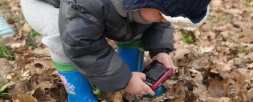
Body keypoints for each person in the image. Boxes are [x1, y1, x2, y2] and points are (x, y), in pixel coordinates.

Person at [21, 0, 210, 101]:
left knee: (142, 23)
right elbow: (82, 44)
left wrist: (159, 50)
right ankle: (78, 94)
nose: (165, 20)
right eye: (164, 15)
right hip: (47, 5)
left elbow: (160, 21)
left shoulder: (152, 8)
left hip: (98, 10)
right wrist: (124, 80)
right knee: (63, 35)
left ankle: (134, 74)